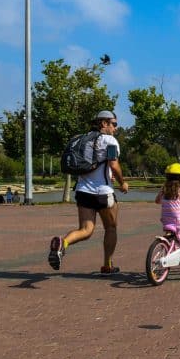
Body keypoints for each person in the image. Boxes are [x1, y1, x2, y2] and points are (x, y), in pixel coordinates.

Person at [48, 110, 129, 273]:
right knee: (111, 228)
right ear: (104, 123)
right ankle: (108, 265)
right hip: (103, 193)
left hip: (83, 191)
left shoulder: (82, 139)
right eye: (114, 124)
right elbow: (114, 164)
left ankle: (62, 243)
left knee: (85, 230)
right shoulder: (110, 141)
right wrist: (122, 182)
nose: (115, 128)